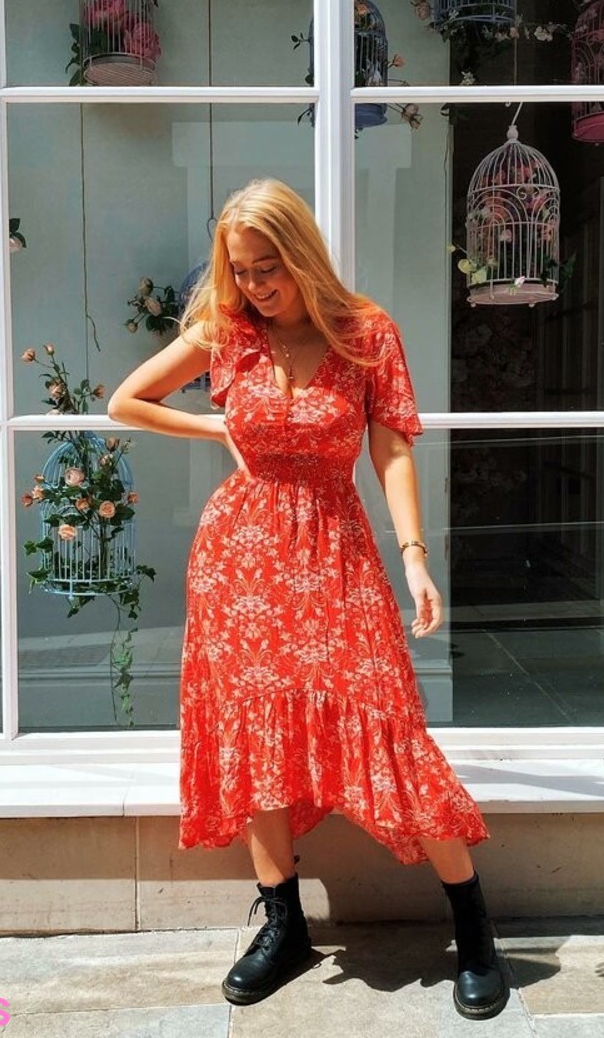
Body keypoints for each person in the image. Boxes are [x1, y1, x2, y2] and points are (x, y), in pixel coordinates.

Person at [107, 178, 507, 1021]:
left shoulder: (367, 333)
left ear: (302, 255)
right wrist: (214, 425)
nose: (254, 285)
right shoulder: (227, 334)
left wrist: (415, 558)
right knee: (254, 730)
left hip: (336, 547)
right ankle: (283, 923)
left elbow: (391, 451)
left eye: (268, 267)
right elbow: (125, 401)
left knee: (390, 725)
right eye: (240, 269)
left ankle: (473, 928)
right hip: (241, 557)